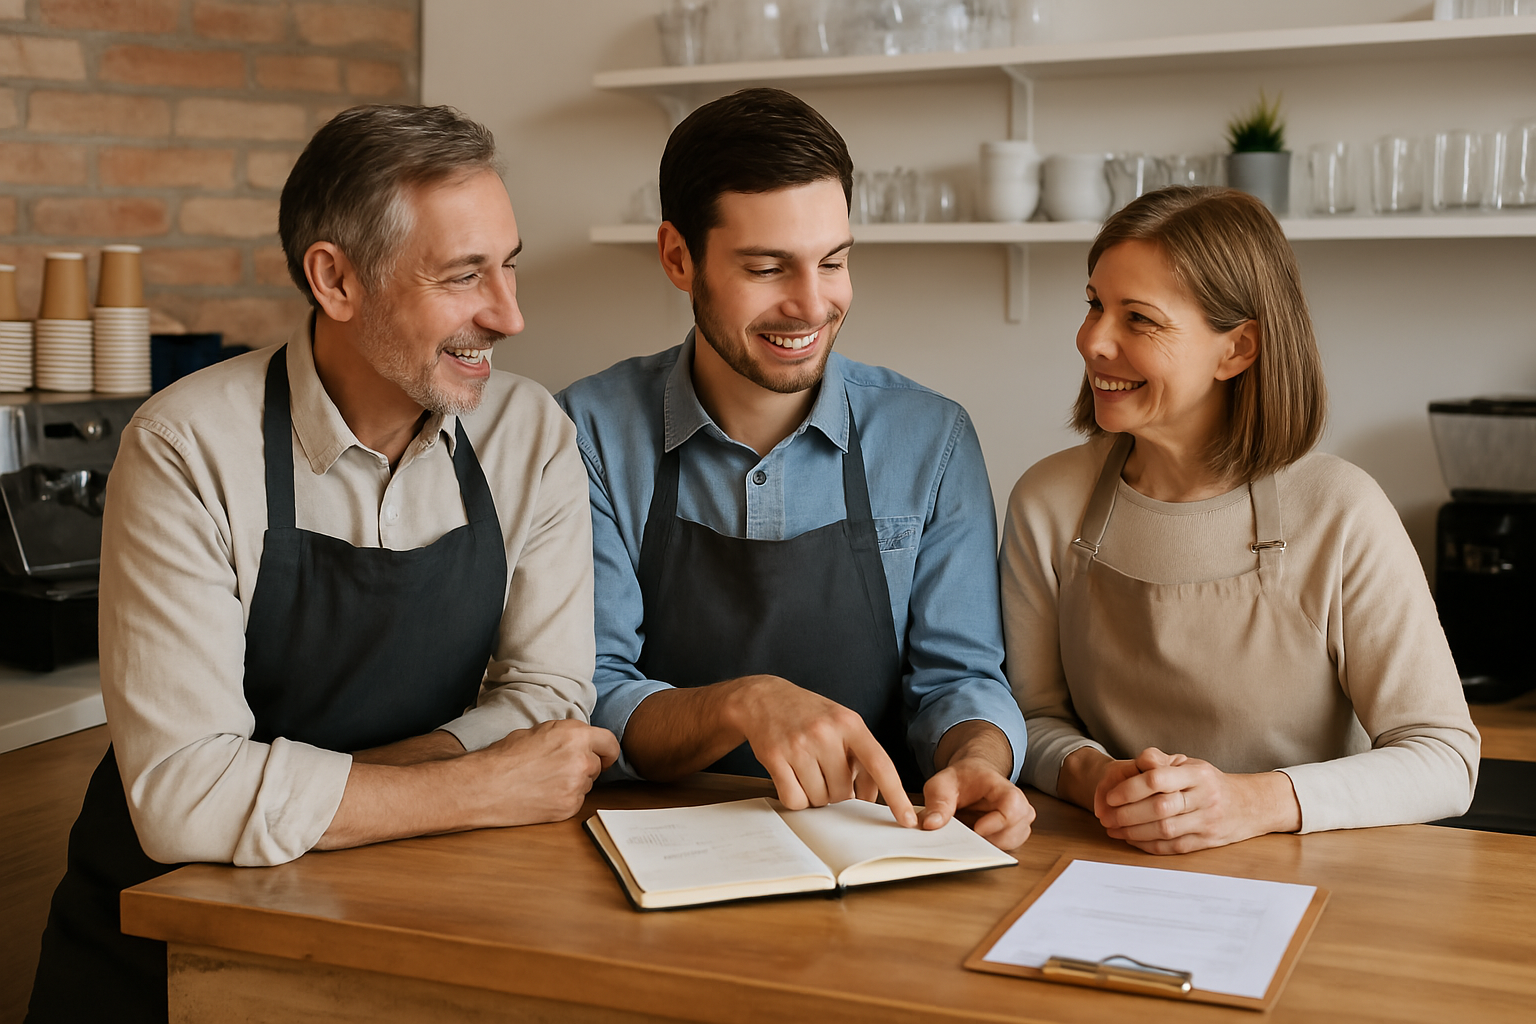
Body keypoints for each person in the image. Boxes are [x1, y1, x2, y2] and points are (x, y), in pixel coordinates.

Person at [28, 105, 619, 1023]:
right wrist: (473, 784)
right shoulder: (185, 446)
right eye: (464, 275)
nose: (509, 314)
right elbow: (185, 799)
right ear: (335, 279)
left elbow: (546, 700)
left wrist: (325, 790)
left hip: (396, 916)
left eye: (508, 264)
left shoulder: (528, 433)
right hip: (163, 932)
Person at [557, 88, 1033, 849]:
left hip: (874, 845)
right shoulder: (587, 433)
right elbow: (589, 692)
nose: (811, 305)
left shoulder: (932, 437)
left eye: (833, 262)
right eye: (768, 267)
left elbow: (959, 680)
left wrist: (978, 758)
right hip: (650, 845)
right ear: (679, 257)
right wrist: (741, 703)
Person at [999, 185, 1479, 855]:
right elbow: (1033, 719)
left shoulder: (1341, 510)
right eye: (1094, 305)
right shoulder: (1046, 502)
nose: (1093, 341)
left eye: (1138, 318)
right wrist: (1096, 778)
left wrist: (1253, 801)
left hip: (1319, 882)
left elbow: (1445, 759)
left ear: (1238, 350)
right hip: (1107, 866)